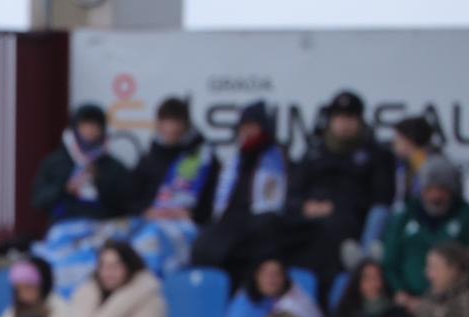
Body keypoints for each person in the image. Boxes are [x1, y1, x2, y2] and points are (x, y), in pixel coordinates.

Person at [287, 90, 394, 286]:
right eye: (339, 118)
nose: (344, 124)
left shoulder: (376, 155)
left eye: (350, 118)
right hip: (308, 220)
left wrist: (335, 206)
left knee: (333, 234)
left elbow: (382, 199)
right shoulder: (314, 152)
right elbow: (292, 193)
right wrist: (304, 207)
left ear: (360, 121)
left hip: (350, 223)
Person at [192, 101, 290, 285]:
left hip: (259, 221)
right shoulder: (235, 160)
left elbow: (274, 201)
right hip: (230, 220)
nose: (247, 132)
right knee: (202, 245)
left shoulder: (277, 158)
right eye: (243, 127)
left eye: (252, 126)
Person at [126, 96, 217, 276]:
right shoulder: (149, 158)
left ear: (185, 125)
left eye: (176, 124)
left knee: (159, 242)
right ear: (159, 125)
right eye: (166, 124)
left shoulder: (203, 157)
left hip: (186, 226)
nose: (171, 130)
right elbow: (131, 198)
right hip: (151, 222)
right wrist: (146, 210)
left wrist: (193, 215)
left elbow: (213, 199)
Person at [30, 103, 134, 223]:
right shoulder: (56, 162)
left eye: (96, 125)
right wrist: (65, 189)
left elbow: (128, 203)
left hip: (103, 224)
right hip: (65, 223)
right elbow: (39, 200)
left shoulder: (113, 165)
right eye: (85, 125)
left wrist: (100, 180)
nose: (91, 130)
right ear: (75, 128)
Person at [384, 156, 469, 300]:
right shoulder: (406, 215)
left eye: (442, 189)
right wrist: (400, 291)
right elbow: (389, 261)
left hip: (456, 301)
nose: (435, 196)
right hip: (408, 302)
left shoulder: (465, 216)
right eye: (430, 189)